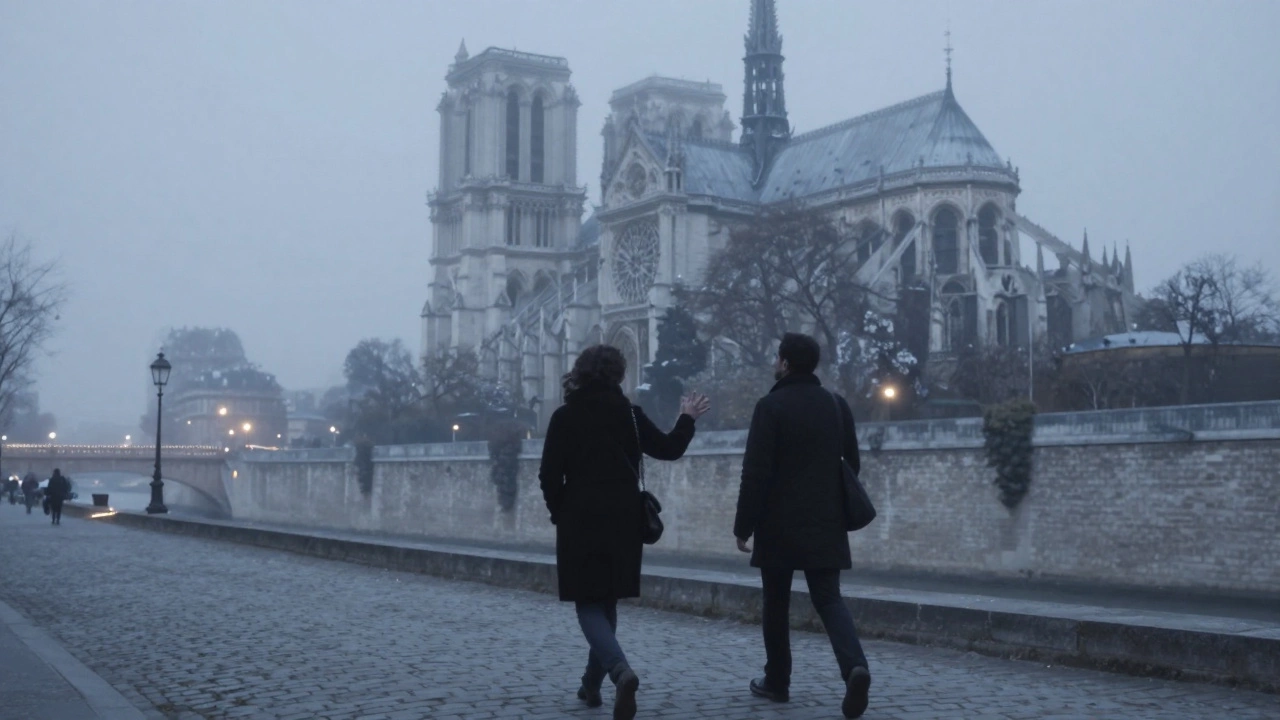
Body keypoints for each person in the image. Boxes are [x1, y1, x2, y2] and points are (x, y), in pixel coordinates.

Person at [538, 344, 709, 720]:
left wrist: (559, 511)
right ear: (619, 376)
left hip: (579, 517)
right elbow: (668, 448)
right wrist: (687, 417)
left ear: (580, 373)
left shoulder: (565, 417)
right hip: (624, 518)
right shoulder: (630, 416)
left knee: (587, 602)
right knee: (608, 599)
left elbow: (549, 476)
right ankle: (591, 686)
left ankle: (619, 672)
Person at [732, 332, 872, 719]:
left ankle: (777, 681)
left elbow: (755, 472)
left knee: (775, 603)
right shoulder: (836, 404)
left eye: (777, 357)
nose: (774, 362)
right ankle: (854, 667)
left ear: (785, 364)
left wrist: (743, 524)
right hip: (826, 520)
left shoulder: (770, 406)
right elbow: (852, 465)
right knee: (829, 598)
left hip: (778, 523)